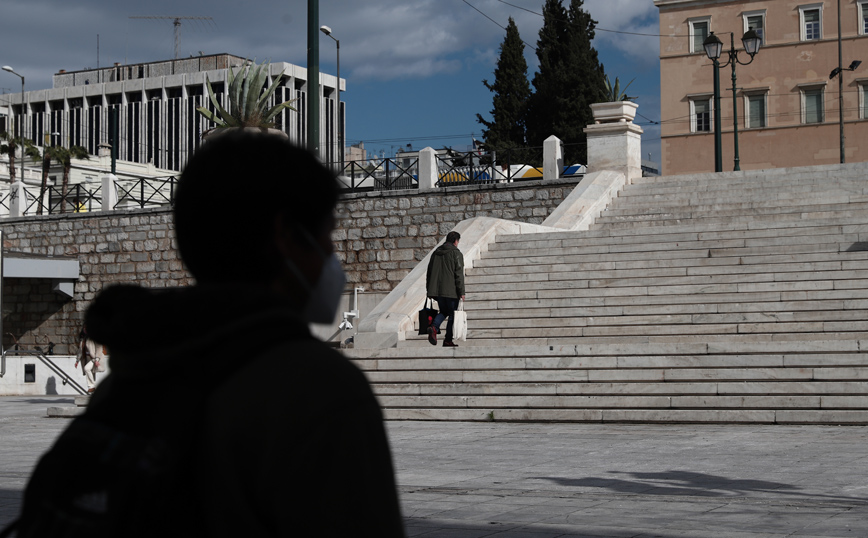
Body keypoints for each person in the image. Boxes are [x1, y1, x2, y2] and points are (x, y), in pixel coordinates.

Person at [82, 131, 405, 537]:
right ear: (287, 234)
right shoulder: (320, 389)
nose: (330, 253)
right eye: (327, 233)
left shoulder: (131, 380)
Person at [425, 231, 465, 347]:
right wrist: (461, 292)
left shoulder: (436, 253)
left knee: (444, 311)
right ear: (455, 241)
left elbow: (429, 272)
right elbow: (459, 274)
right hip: (451, 291)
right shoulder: (456, 253)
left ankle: (434, 327)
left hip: (437, 291)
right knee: (452, 314)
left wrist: (430, 290)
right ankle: (448, 339)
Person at [73, 326, 106, 393]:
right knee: (92, 373)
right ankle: (93, 389)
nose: (85, 330)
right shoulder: (83, 339)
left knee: (86, 369)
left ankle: (92, 386)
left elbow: (99, 348)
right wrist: (77, 361)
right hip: (87, 358)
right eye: (84, 329)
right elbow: (80, 351)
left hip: (94, 358)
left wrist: (97, 359)